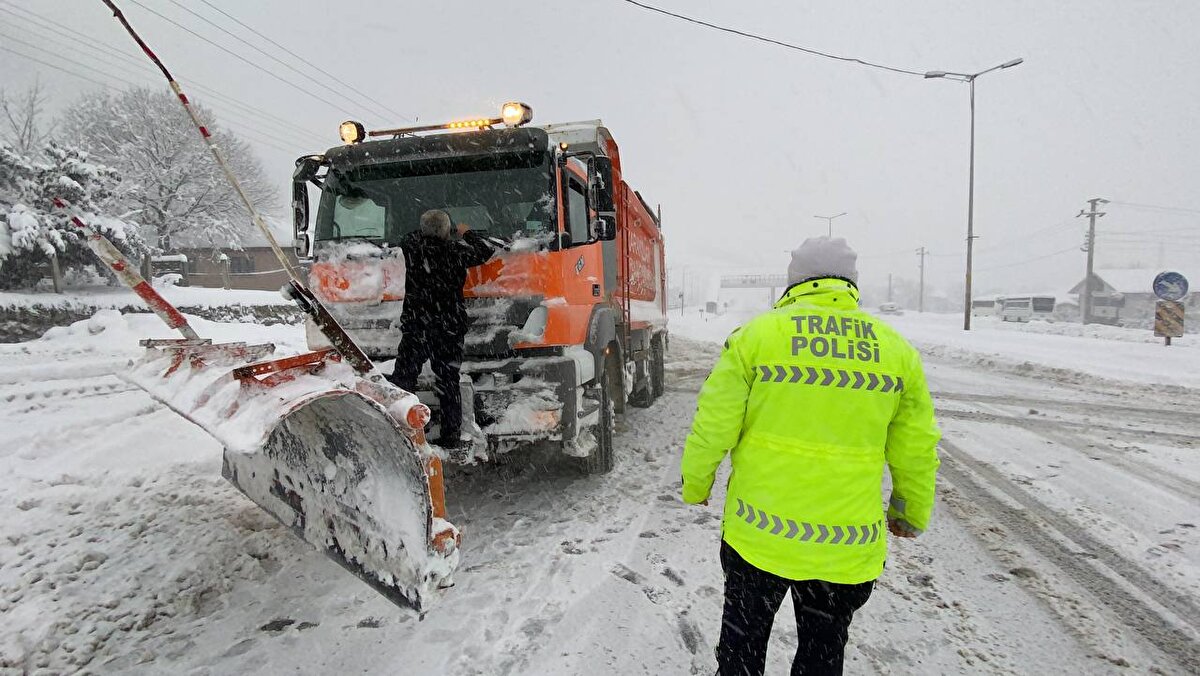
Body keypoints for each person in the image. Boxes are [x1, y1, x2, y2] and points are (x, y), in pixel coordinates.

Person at [680, 236, 941, 676]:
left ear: (794, 281)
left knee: (742, 647)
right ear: (850, 283)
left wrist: (696, 485)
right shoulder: (896, 352)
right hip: (844, 551)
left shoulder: (757, 338)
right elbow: (916, 447)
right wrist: (908, 511)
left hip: (758, 541)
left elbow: (713, 426)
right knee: (823, 654)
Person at [391, 209, 495, 448]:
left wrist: (429, 230)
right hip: (448, 328)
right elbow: (485, 252)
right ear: (448, 232)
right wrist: (466, 233)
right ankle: (450, 437)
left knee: (403, 380)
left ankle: (398, 429)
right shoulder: (456, 252)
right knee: (448, 382)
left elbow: (408, 237)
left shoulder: (413, 249)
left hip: (417, 325)